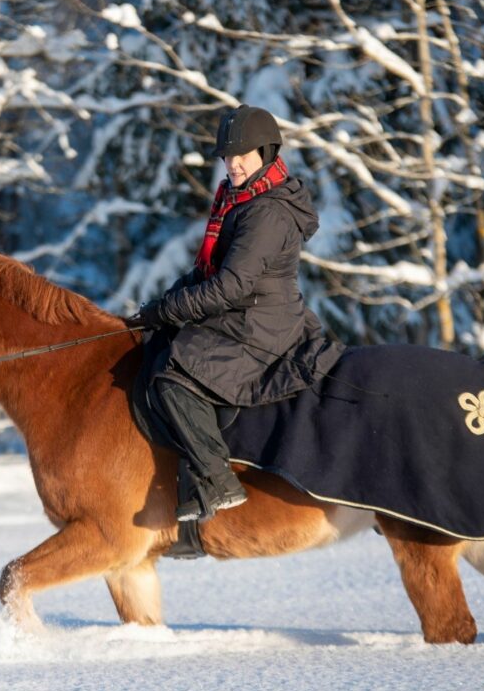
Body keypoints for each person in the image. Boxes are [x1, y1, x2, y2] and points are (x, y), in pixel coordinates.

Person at [126, 104, 345, 522]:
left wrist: (169, 311)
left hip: (261, 325)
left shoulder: (267, 211)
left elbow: (231, 286)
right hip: (244, 313)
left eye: (242, 155)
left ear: (266, 153)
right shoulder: (238, 199)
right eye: (228, 157)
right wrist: (158, 309)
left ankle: (217, 480)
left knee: (174, 377)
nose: (233, 164)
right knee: (161, 346)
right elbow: (207, 271)